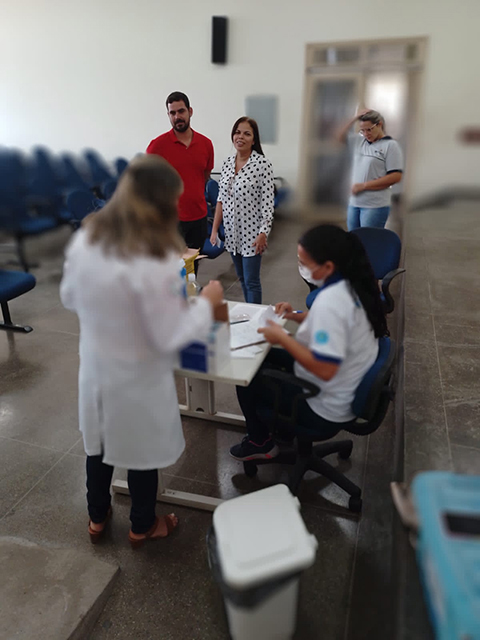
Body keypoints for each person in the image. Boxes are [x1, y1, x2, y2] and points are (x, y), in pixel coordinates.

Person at [60, 155, 224, 547]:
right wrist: (207, 304)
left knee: (99, 444)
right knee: (140, 448)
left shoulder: (87, 240)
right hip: (137, 375)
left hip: (97, 366)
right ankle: (142, 524)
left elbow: (68, 297)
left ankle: (97, 518)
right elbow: (170, 335)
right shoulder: (156, 257)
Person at [229, 224, 388, 461]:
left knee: (246, 373)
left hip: (323, 408)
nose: (300, 267)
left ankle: (260, 442)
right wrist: (294, 316)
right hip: (345, 384)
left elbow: (325, 369)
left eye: (304, 262)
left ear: (328, 267)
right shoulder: (353, 285)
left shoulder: (331, 303)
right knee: (263, 356)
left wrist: (282, 337)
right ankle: (278, 431)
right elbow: (332, 324)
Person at [210, 117, 275, 304]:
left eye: (247, 134)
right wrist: (214, 230)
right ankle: (249, 313)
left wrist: (263, 233)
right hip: (232, 234)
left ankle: (256, 319)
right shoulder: (227, 163)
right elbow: (221, 200)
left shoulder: (262, 165)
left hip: (252, 235)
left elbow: (267, 204)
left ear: (254, 140)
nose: (240, 137)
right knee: (242, 279)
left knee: (252, 281)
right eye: (237, 132)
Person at [147, 91, 214, 254]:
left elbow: (204, 176)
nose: (177, 117)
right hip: (170, 221)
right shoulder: (157, 146)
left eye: (181, 111)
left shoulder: (206, 144)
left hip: (199, 217)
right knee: (172, 266)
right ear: (168, 115)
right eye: (172, 113)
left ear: (190, 111)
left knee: (193, 265)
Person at [337, 109, 403, 230]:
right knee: (353, 238)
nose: (366, 133)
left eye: (369, 129)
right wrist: (355, 118)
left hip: (375, 205)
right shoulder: (359, 141)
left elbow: (396, 176)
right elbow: (339, 136)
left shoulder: (390, 145)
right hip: (354, 203)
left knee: (368, 239)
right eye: (362, 130)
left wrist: (364, 186)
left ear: (379, 125)